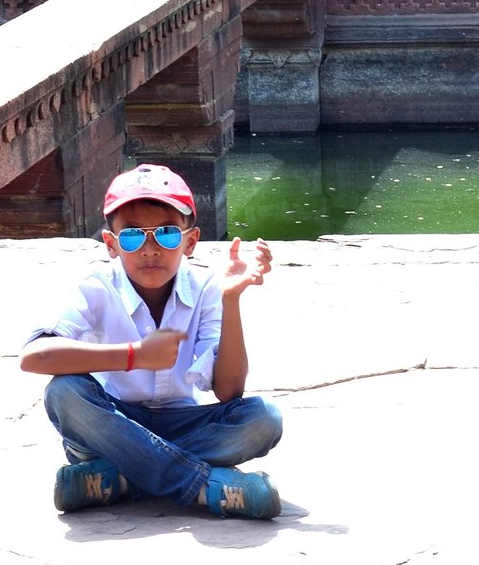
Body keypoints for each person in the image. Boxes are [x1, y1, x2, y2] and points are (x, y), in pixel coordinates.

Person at [20, 163, 284, 519]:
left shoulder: (207, 288)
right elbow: (34, 356)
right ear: (111, 245)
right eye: (132, 236)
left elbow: (228, 390)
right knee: (63, 392)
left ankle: (121, 478)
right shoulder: (96, 286)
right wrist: (135, 355)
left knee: (263, 419)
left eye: (167, 234)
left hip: (182, 422)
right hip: (111, 422)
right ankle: (204, 487)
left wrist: (231, 300)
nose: (149, 248)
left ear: (190, 241)